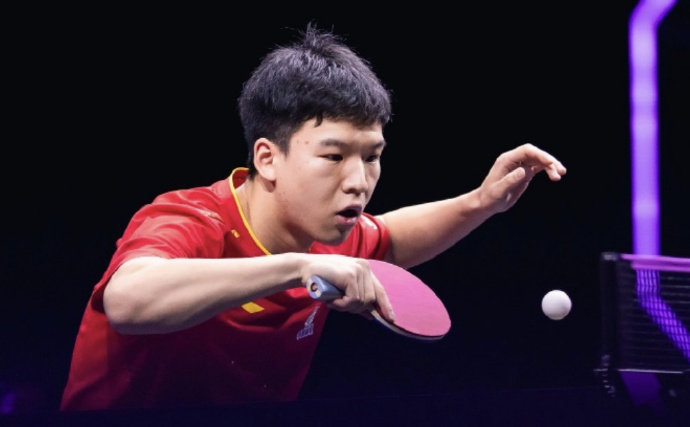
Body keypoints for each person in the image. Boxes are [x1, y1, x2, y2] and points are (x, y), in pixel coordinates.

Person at [60, 23, 566, 411]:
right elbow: (128, 300)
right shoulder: (190, 218)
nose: (359, 180)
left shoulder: (327, 233)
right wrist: (300, 267)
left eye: (372, 156)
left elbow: (390, 240)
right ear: (267, 158)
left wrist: (480, 202)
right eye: (333, 156)